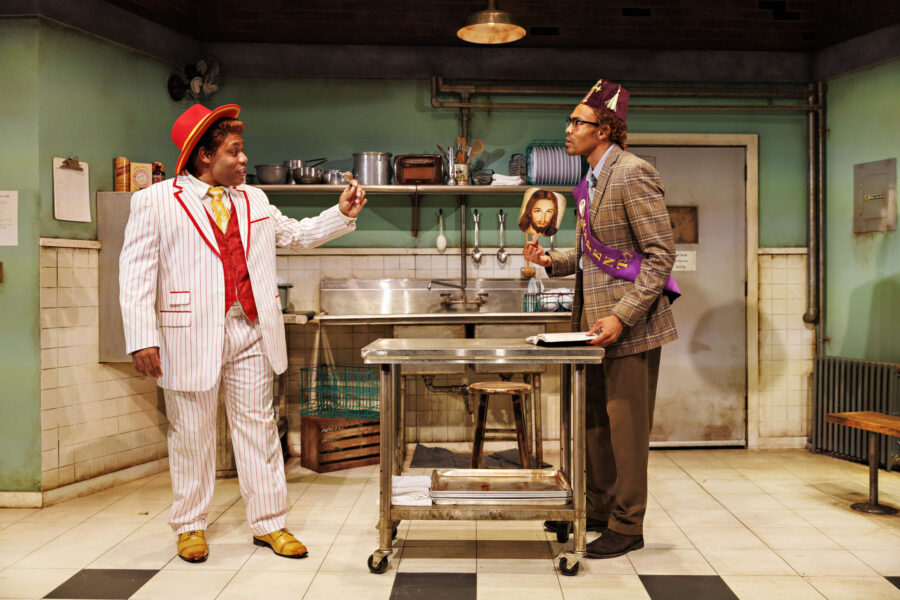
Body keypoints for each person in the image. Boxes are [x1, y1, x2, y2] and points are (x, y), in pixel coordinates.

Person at [119, 103, 367, 563]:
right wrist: (141, 338)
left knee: (258, 428)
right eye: (234, 151)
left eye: (242, 150)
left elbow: (294, 234)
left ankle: (269, 522)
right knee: (191, 433)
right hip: (188, 334)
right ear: (204, 155)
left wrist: (340, 213)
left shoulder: (253, 199)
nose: (243, 159)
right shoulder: (156, 201)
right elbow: (135, 274)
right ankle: (190, 525)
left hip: (251, 329)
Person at [523, 79, 678, 559]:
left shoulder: (633, 173)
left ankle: (628, 525)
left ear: (604, 130)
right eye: (570, 121)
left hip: (629, 328)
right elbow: (594, 254)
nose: (568, 129)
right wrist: (552, 261)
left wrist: (622, 317)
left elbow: (659, 256)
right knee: (595, 425)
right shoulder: (590, 181)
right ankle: (598, 508)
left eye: (578, 121)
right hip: (591, 327)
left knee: (626, 432)